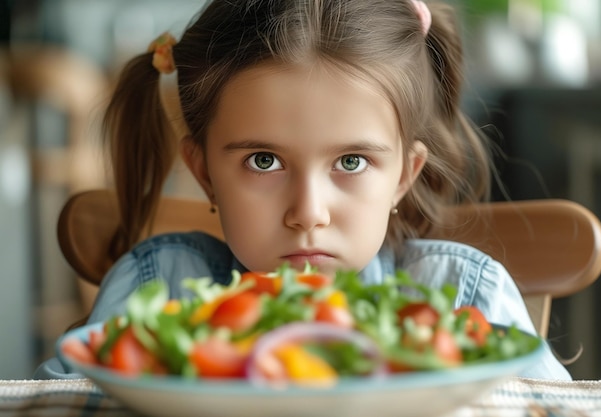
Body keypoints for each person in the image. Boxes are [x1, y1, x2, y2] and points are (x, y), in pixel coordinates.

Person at [36, 0, 571, 380]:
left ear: (403, 176)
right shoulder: (155, 293)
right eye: (263, 161)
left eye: (352, 161)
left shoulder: (466, 299)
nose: (308, 213)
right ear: (204, 174)